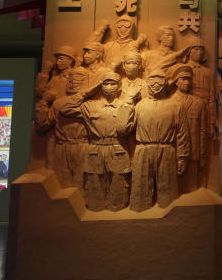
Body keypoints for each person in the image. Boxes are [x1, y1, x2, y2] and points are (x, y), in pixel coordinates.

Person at [129, 69, 190, 212]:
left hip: (167, 150)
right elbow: (126, 129)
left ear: (166, 83)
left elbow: (182, 135)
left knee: (168, 192)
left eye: (160, 81)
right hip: (143, 150)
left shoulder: (176, 106)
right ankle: (140, 219)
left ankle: (170, 217)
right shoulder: (140, 105)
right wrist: (127, 103)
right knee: (140, 189)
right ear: (147, 83)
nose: (156, 84)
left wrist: (182, 158)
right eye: (152, 81)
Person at [80, 70, 135, 211]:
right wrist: (86, 93)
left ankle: (117, 208)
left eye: (113, 84)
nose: (109, 87)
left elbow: (128, 130)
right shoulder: (89, 106)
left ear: (119, 87)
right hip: (95, 150)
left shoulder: (126, 105)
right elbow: (65, 107)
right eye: (106, 83)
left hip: (118, 148)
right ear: (101, 86)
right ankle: (96, 207)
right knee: (94, 184)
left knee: (119, 183)